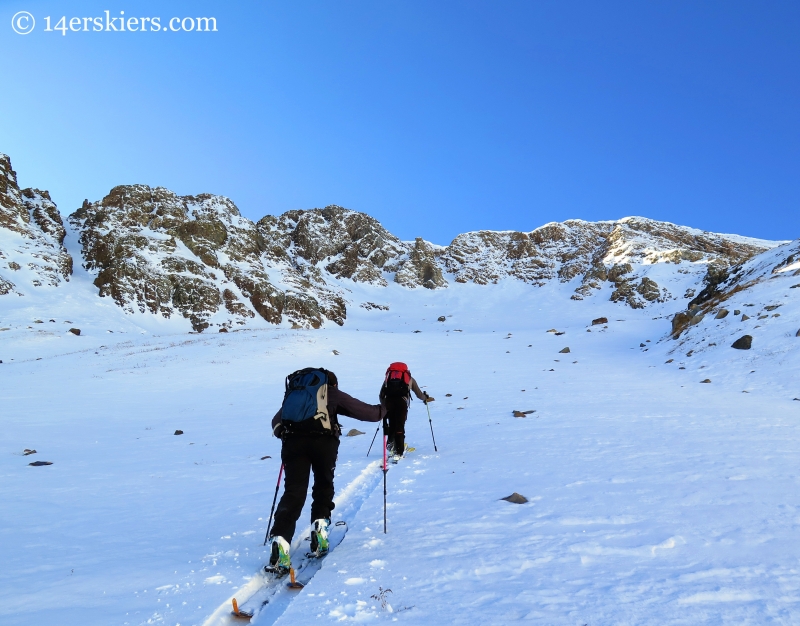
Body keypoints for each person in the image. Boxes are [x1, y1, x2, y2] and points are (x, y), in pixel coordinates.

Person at [267, 368, 384, 573]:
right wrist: (386, 408)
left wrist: (286, 436)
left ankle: (280, 541)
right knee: (323, 485)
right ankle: (320, 533)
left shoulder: (296, 392)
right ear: (332, 383)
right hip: (324, 444)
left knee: (293, 492)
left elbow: (276, 422)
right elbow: (368, 413)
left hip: (293, 444)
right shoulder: (331, 392)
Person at [379, 362, 434, 461]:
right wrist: (425, 397)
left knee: (392, 423)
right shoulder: (409, 378)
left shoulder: (388, 378)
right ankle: (399, 451)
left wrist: (384, 405)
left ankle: (391, 444)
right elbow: (418, 394)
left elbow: (381, 395)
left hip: (389, 403)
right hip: (402, 403)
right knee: (400, 426)